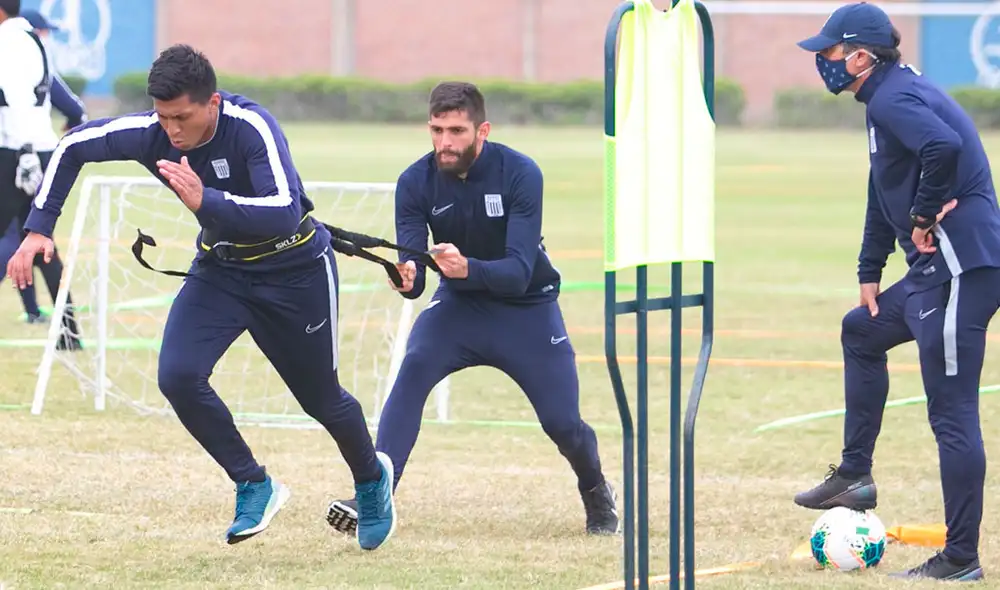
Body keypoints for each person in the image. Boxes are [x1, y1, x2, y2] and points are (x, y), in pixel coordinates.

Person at [6, 43, 397, 550]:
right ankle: (253, 483)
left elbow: (282, 209)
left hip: (294, 269)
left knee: (321, 399)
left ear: (211, 104)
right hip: (222, 270)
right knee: (178, 375)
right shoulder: (154, 132)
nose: (171, 130)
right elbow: (75, 144)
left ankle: (371, 481)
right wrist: (39, 227)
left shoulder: (251, 126)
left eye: (182, 117)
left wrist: (204, 199)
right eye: (163, 116)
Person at [325, 81, 619, 538]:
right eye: (437, 130)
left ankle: (596, 490)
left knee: (563, 423)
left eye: (457, 131)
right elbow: (416, 269)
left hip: (527, 309)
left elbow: (519, 270)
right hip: (458, 308)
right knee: (414, 366)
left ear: (482, 130)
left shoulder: (521, 173)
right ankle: (373, 496)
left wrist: (465, 268)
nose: (445, 142)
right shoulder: (414, 182)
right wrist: (408, 278)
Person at [793, 2, 1000, 581]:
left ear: (860, 55)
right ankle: (855, 476)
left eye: (829, 52)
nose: (823, 61)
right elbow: (879, 180)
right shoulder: (880, 97)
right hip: (931, 273)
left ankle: (961, 559)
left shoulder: (890, 98)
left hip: (962, 268)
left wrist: (924, 212)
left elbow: (944, 148)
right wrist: (869, 268)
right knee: (861, 330)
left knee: (952, 415)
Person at [0, 0, 81, 347]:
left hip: (19, 151)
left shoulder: (9, 40)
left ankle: (63, 326)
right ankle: (68, 330)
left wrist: (26, 154)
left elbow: (15, 99)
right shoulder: (28, 38)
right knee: (37, 238)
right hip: (33, 148)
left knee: (27, 238)